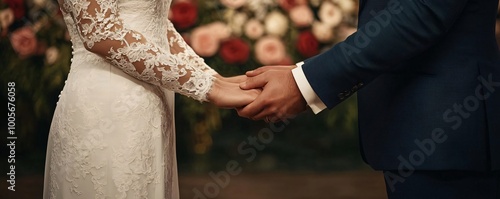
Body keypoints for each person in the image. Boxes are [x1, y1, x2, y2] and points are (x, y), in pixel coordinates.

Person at [238, 0, 500, 198]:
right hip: (421, 128)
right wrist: (303, 74)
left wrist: (305, 82)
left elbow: (422, 13)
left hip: (448, 132)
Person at [43, 0, 258, 198]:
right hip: (108, 106)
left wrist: (214, 79)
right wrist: (206, 86)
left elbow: (156, 25)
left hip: (151, 105)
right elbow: (99, 32)